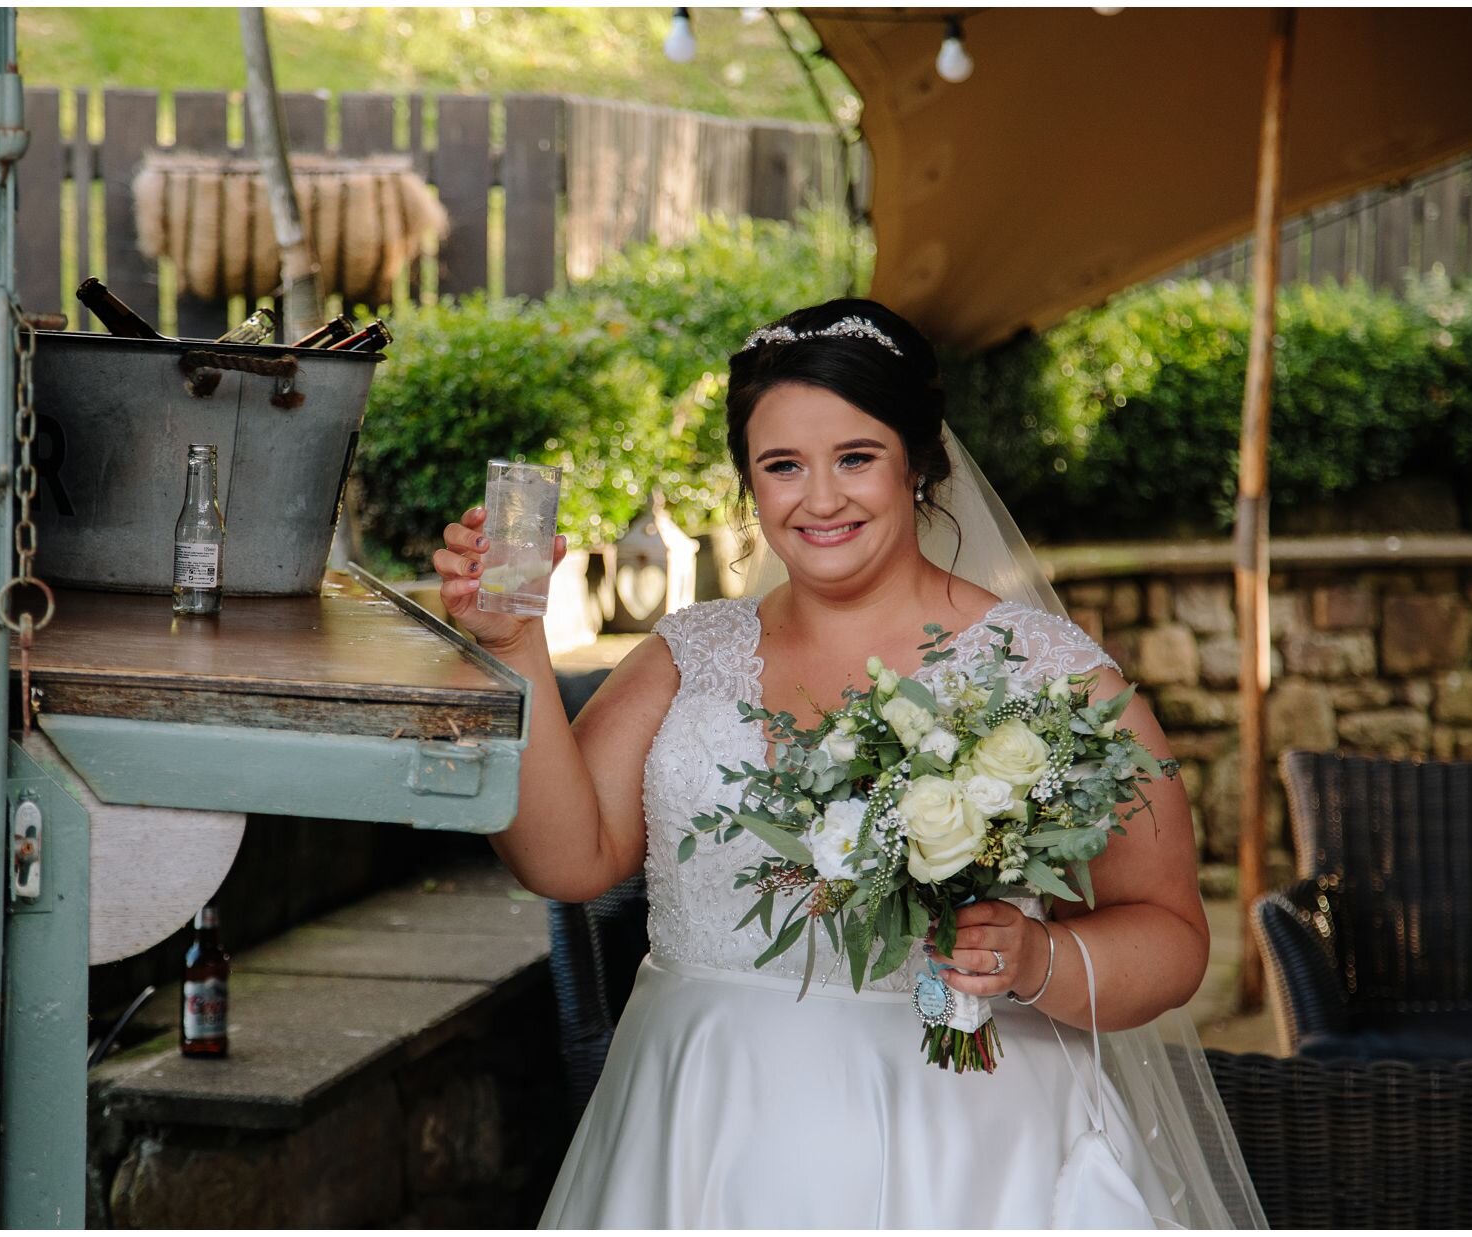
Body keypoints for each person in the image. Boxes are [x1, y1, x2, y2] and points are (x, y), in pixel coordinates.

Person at [431, 299, 1265, 1228]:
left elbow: (1172, 935)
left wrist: (1037, 956)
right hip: (702, 1123)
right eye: (781, 465)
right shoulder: (686, 654)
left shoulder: (1049, 675)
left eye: (854, 458)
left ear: (919, 462)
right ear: (748, 484)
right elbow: (564, 860)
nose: (818, 499)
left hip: (967, 1151)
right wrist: (514, 644)